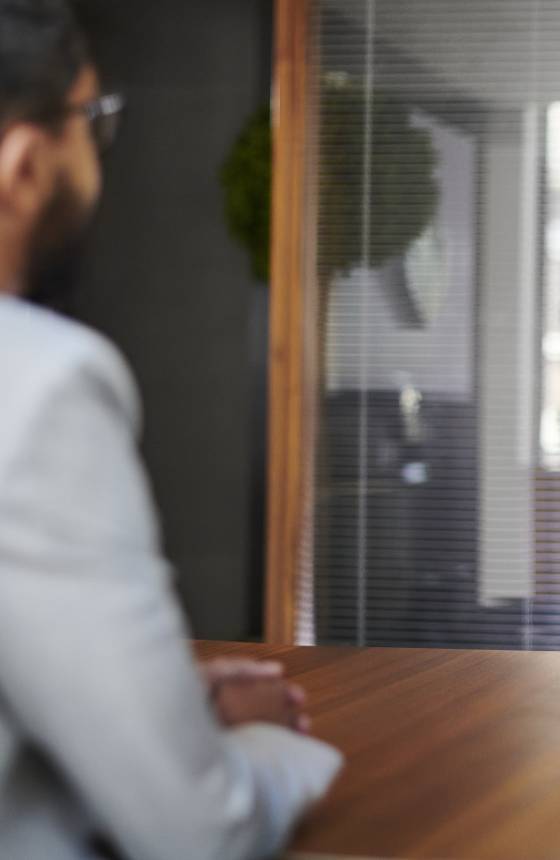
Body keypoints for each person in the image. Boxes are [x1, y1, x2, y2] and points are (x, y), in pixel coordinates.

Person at [0, 2, 342, 858]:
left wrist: (159, 703)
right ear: (24, 165)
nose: (98, 154)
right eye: (92, 121)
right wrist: (270, 754)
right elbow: (199, 831)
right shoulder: (41, 385)